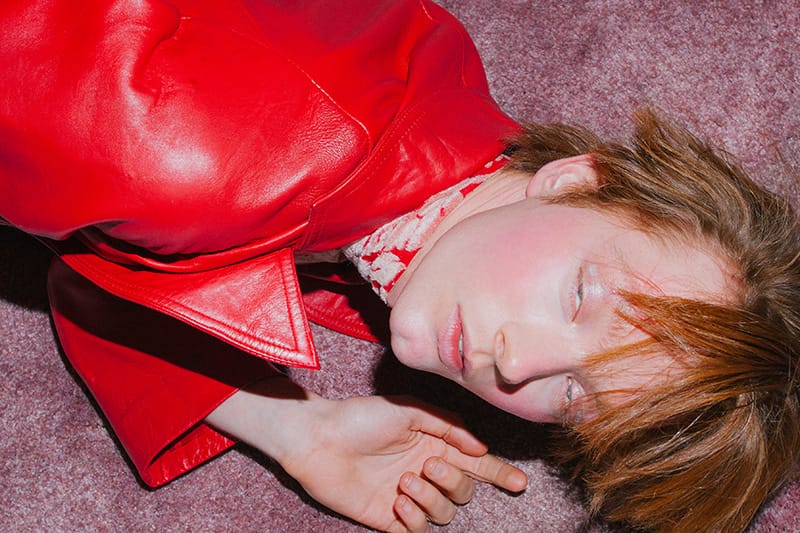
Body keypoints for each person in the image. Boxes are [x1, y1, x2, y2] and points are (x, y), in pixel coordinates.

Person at [1, 2, 798, 533]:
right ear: (576, 182)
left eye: (578, 396)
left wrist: (295, 425)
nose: (517, 363)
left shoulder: (440, 89)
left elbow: (103, 263)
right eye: (581, 295)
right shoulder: (191, 165)